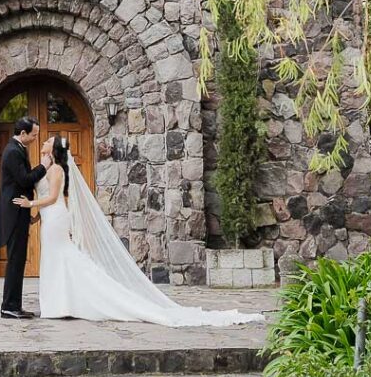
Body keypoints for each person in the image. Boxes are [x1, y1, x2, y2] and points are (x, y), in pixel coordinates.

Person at [14, 136, 265, 327]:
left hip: (57, 217)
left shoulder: (57, 170)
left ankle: (71, 300)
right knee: (57, 258)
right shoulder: (45, 168)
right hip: (48, 218)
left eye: (47, 141)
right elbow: (45, 195)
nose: (44, 142)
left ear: (54, 149)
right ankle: (60, 302)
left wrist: (30, 205)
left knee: (63, 256)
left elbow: (55, 197)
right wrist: (35, 216)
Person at [0, 116, 51, 319]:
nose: (36, 138)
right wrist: (43, 166)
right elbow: (24, 179)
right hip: (14, 212)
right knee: (15, 260)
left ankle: (13, 305)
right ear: (23, 133)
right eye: (33, 134)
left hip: (20, 211)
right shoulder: (12, 151)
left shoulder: (18, 149)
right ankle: (9, 306)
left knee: (18, 260)